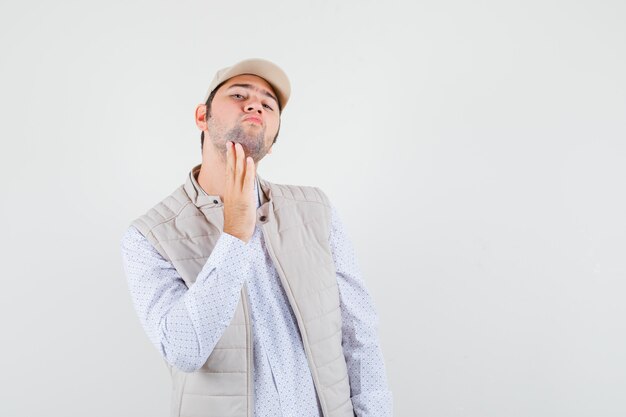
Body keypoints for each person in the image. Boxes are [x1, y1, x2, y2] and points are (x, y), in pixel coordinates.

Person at [120, 58, 393, 417]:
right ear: (202, 116)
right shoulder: (149, 236)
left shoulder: (316, 210)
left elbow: (360, 335)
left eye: (268, 104)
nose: (255, 105)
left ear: (272, 141)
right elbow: (184, 350)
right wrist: (234, 233)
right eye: (239, 95)